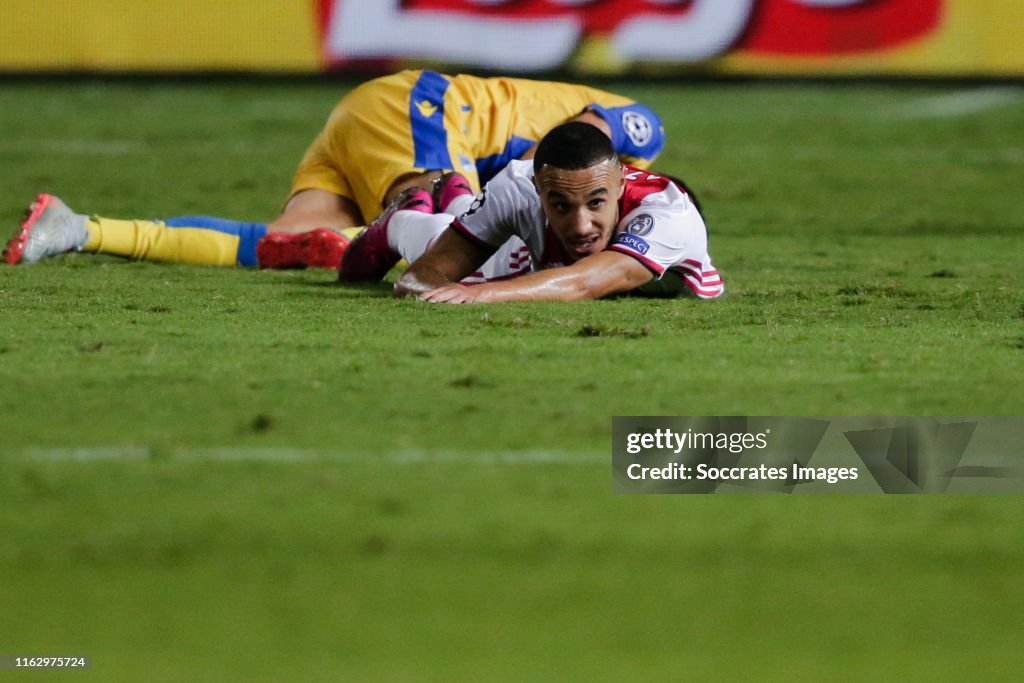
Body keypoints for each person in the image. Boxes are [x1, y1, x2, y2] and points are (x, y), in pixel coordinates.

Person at [4, 70, 665, 270]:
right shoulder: (641, 134)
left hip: (367, 121)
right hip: (426, 112)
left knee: (291, 247)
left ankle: (79, 229)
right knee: (443, 213)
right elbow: (568, 152)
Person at [339, 122, 723, 303]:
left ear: (621, 185)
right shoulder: (518, 185)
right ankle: (401, 220)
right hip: (533, 262)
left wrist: (480, 296)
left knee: (482, 278)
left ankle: (455, 199)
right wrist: (430, 285)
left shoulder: (667, 216)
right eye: (561, 205)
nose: (581, 226)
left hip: (554, 271)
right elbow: (422, 276)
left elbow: (582, 283)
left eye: (596, 203)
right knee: (460, 258)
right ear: (538, 190)